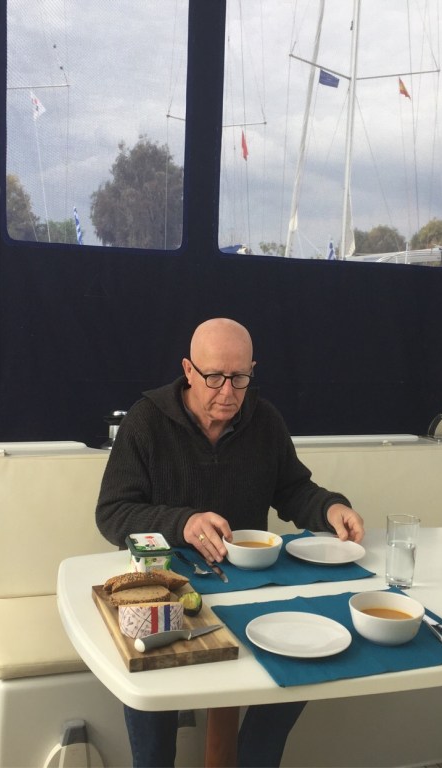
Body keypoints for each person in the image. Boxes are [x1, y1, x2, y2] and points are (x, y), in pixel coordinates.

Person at [96, 317, 365, 767]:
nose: (228, 392)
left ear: (252, 371)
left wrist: (330, 508)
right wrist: (182, 522)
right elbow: (112, 514)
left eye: (240, 378)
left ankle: (252, 758)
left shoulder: (265, 420)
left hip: (249, 582)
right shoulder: (146, 421)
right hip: (164, 583)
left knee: (308, 658)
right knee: (149, 683)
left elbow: (293, 489)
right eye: (214, 377)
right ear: (188, 370)